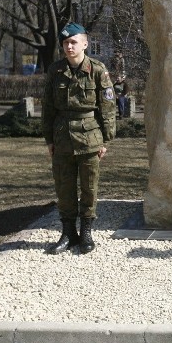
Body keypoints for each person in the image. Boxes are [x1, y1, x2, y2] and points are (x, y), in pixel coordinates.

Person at [42, 22, 117, 255]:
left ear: (85, 44)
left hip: (90, 137)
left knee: (89, 187)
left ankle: (86, 232)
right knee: (64, 188)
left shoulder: (97, 70)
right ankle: (68, 233)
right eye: (65, 43)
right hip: (62, 136)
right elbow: (47, 108)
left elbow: (108, 107)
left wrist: (105, 140)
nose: (69, 46)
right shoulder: (55, 71)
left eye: (73, 42)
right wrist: (49, 140)